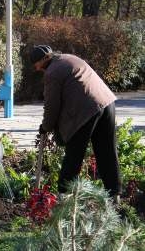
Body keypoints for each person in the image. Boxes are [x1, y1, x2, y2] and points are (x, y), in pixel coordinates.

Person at [30, 45, 121, 202]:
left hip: (85, 111)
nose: (38, 70)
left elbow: (52, 105)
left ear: (42, 61)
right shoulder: (70, 58)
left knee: (74, 154)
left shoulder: (52, 72)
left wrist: (46, 127)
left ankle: (63, 197)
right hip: (107, 103)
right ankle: (114, 196)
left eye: (37, 66)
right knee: (107, 152)